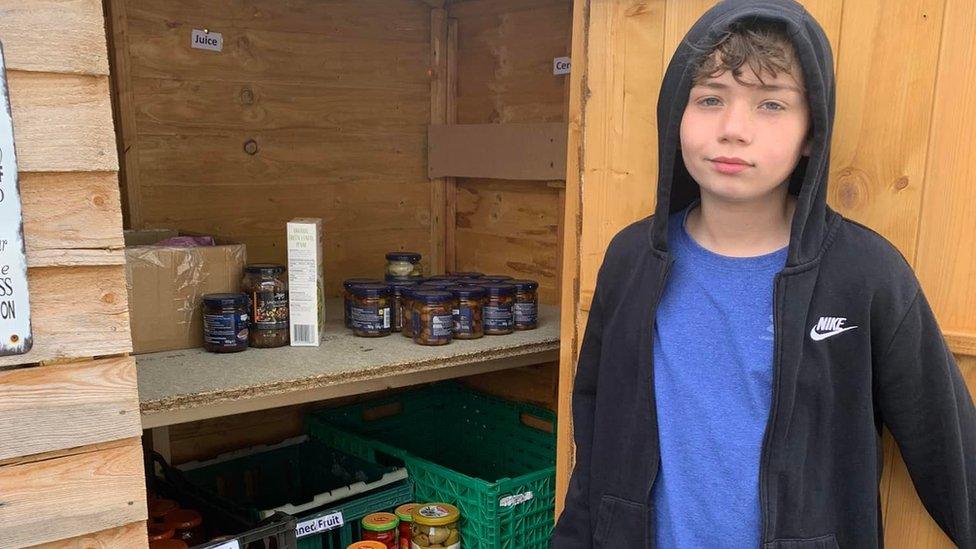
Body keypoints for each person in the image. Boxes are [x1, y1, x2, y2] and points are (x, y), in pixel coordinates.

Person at [550, 0, 976, 547]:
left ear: (810, 134)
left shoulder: (864, 274)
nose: (734, 129)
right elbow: (597, 429)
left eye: (771, 104)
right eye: (710, 99)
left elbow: (950, 452)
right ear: (675, 116)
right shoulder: (631, 258)